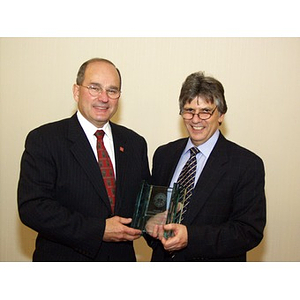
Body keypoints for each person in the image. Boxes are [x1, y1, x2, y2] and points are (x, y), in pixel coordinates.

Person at [18, 58, 150, 261]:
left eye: (112, 91)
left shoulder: (134, 143)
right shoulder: (44, 139)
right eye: (95, 88)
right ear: (76, 91)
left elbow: (144, 203)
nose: (104, 98)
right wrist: (99, 230)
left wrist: (158, 221)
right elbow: (33, 208)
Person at [147, 71, 266, 261]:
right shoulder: (164, 155)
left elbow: (248, 231)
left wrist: (191, 237)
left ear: (221, 115)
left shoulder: (247, 165)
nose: (195, 119)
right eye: (189, 110)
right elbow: (153, 213)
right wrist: (149, 227)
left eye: (205, 111)